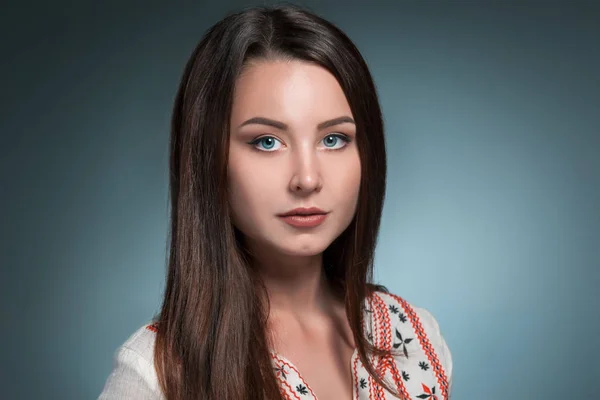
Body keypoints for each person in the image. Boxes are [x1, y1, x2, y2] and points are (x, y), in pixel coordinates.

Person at [98, 4, 452, 400]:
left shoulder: (414, 336)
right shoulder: (158, 373)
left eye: (333, 139)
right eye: (267, 142)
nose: (307, 178)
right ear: (207, 158)